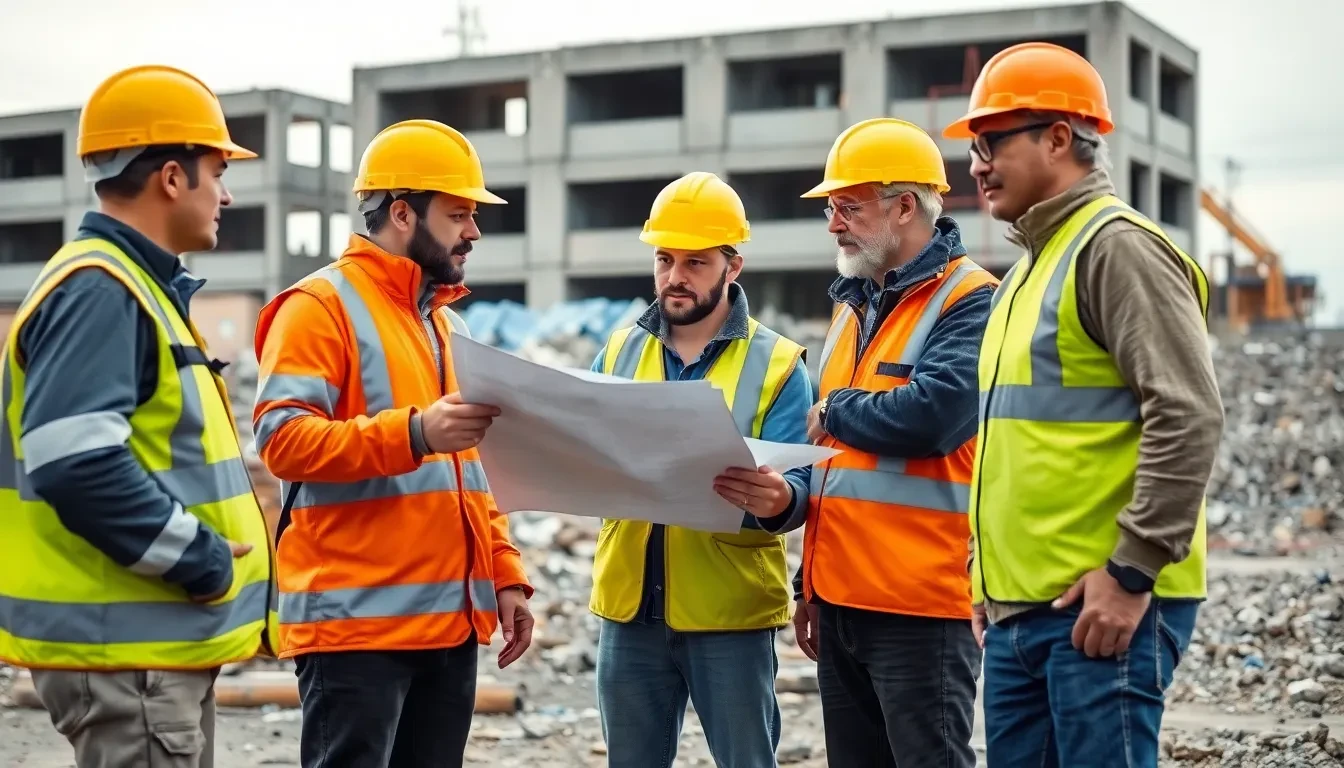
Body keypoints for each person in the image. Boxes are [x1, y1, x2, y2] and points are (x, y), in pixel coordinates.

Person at [943, 42, 1224, 767]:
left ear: (1059, 138)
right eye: (974, 147)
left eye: (991, 142)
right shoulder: (1024, 274)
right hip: (1020, 613)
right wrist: (985, 581)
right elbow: (1008, 445)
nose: (976, 164)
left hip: (1099, 609)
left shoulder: (1116, 249)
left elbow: (1187, 413)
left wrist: (1131, 573)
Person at [0, 64, 277, 767]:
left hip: (147, 652)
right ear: (173, 177)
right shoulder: (101, 288)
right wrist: (201, 560)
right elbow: (75, 463)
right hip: (129, 656)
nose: (226, 194)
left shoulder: (128, 284)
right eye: (218, 172)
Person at [251, 119, 535, 768]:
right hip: (354, 631)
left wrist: (504, 574)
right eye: (459, 214)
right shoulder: (318, 306)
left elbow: (470, 474)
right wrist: (415, 432)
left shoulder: (447, 326)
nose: (474, 231)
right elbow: (283, 440)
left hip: (448, 628)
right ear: (402, 213)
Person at [589, 171, 814, 768]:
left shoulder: (778, 364)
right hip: (629, 609)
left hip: (729, 611)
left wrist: (778, 501)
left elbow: (800, 485)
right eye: (665, 260)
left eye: (695, 262)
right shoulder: (618, 351)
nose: (675, 277)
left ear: (732, 266)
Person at [792, 118, 997, 768]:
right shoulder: (852, 306)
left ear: (905, 206)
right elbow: (833, 469)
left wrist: (837, 409)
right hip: (841, 601)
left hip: (920, 608)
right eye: (830, 208)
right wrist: (808, 585)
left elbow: (935, 417)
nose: (834, 224)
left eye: (848, 207)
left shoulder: (971, 299)